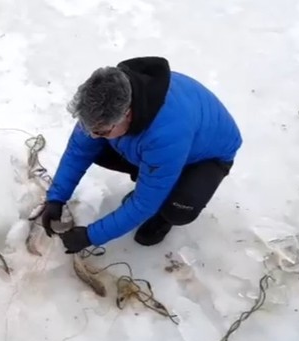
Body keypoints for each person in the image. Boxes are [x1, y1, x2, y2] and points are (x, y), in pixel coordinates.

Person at [40, 57, 243, 254]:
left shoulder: (166, 134)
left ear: (126, 115)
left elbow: (143, 204)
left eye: (101, 132)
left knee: (180, 209)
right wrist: (56, 198)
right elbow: (78, 151)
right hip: (163, 146)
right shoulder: (106, 103)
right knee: (95, 149)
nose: (93, 135)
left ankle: (164, 214)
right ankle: (156, 180)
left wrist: (90, 236)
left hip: (206, 158)